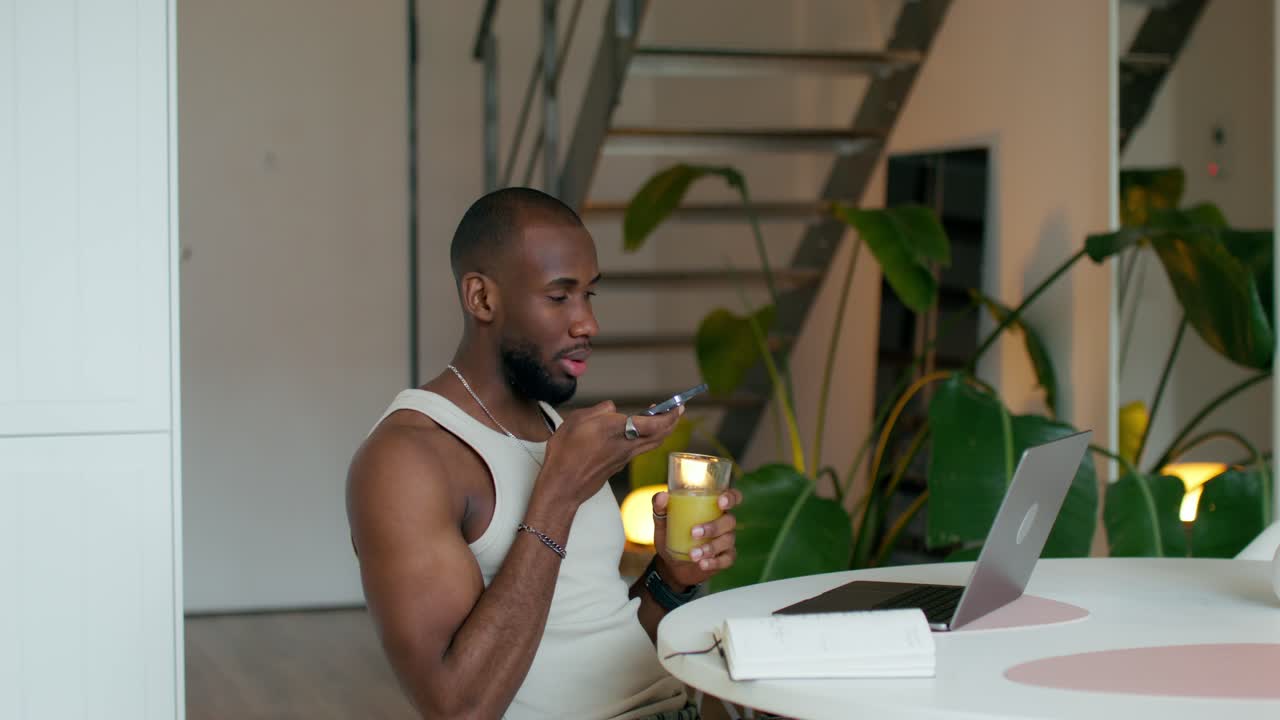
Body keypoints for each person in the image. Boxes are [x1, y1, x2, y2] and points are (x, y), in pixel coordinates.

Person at [346, 187, 742, 720]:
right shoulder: (406, 461)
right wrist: (558, 492)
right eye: (559, 297)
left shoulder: (550, 423)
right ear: (482, 298)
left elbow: (597, 637)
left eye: (589, 296)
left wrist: (670, 577)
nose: (587, 324)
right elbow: (459, 707)